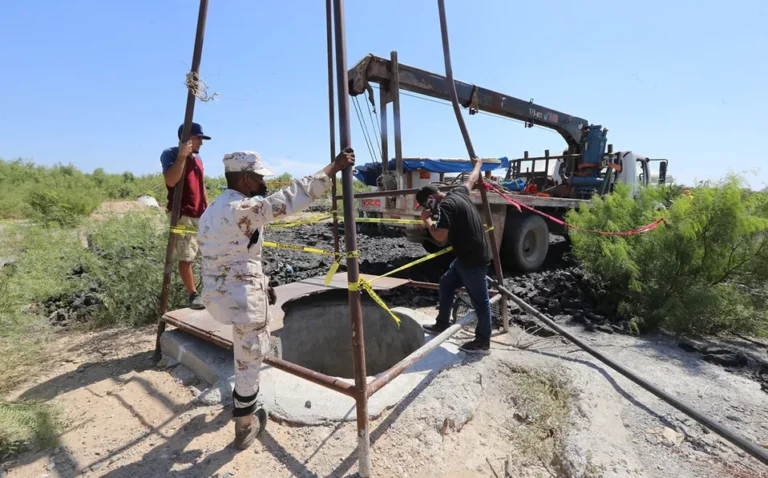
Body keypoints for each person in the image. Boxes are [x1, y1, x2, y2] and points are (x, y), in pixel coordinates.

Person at [197, 147, 355, 450]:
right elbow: (286, 200)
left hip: (217, 295)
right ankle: (245, 424)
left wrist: (260, 281)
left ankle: (242, 401)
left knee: (243, 346)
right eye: (258, 178)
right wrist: (330, 170)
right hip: (242, 299)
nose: (262, 184)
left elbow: (231, 253)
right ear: (245, 180)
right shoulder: (242, 208)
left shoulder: (212, 210)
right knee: (249, 359)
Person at [416, 158, 493, 355]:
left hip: (473, 259)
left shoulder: (445, 207)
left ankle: (483, 342)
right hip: (466, 256)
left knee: (481, 301)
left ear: (431, 199)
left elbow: (440, 237)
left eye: (426, 206)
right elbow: (472, 179)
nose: (426, 209)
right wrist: (478, 164)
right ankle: (442, 323)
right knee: (446, 282)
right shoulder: (459, 191)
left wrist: (427, 221)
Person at [161, 122, 211, 310]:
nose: (201, 143)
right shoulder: (170, 154)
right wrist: (182, 157)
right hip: (183, 215)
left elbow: (201, 186)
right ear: (186, 139)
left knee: (208, 252)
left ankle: (211, 290)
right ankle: (193, 294)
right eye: (198, 138)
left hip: (200, 213)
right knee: (186, 255)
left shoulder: (198, 160)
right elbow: (171, 180)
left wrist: (208, 209)